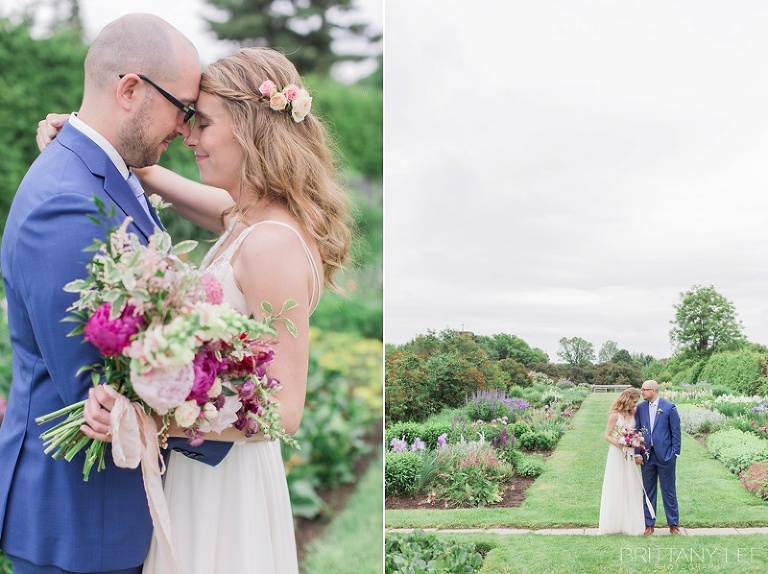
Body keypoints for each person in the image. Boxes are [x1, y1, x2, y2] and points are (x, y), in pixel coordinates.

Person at [38, 47, 353, 573]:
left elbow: (286, 408)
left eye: (202, 123)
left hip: (228, 490)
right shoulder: (247, 218)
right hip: (209, 471)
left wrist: (146, 418)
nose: (187, 136)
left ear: (252, 131)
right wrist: (88, 139)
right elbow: (166, 183)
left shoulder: (269, 244)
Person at [0, 13, 237, 574]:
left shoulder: (104, 173)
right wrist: (232, 412)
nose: (185, 129)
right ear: (129, 89)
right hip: (80, 524)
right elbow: (100, 392)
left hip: (108, 516)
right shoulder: (67, 202)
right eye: (183, 108)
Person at [597, 387, 646, 535]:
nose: (635, 405)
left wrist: (636, 442)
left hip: (629, 452)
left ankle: (630, 521)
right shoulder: (614, 415)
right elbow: (607, 435)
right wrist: (620, 445)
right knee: (616, 483)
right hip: (617, 453)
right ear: (627, 399)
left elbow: (636, 432)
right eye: (634, 402)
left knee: (630, 483)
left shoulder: (633, 414)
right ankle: (613, 523)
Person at [635, 379, 682, 535]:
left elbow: (676, 433)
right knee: (648, 491)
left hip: (666, 457)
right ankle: (649, 524)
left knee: (669, 490)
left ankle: (673, 524)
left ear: (653, 391)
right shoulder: (640, 408)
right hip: (646, 457)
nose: (641, 392)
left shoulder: (669, 408)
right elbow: (636, 432)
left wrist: (674, 453)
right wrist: (637, 453)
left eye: (644, 390)